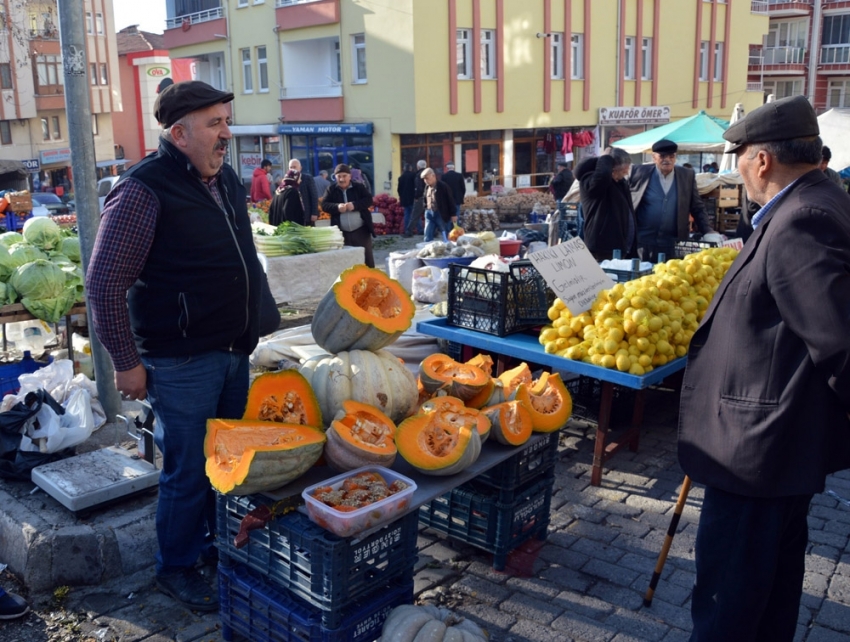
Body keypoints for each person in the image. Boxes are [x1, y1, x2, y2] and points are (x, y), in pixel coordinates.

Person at [85, 81, 275, 613]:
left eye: (225, 121)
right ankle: (175, 567)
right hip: (182, 359)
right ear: (179, 133)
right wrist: (126, 363)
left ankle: (215, 547)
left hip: (234, 350)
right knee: (189, 469)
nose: (226, 134)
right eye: (215, 124)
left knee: (229, 463)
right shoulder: (144, 188)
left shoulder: (227, 180)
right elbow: (102, 284)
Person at [679, 94, 850, 641]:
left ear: (762, 161)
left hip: (756, 452)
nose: (740, 170)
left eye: (741, 155)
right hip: (771, 448)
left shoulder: (803, 220)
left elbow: (839, 343)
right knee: (767, 594)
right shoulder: (817, 200)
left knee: (730, 604)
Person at [629, 139, 716, 263]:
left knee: (672, 277)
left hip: (673, 243)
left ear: (675, 158)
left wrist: (708, 230)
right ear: (654, 157)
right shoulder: (639, 173)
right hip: (643, 243)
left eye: (671, 156)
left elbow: (697, 207)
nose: (667, 160)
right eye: (662, 156)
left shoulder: (687, 175)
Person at [573, 147, 636, 260]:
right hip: (602, 248)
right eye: (623, 170)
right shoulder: (590, 180)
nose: (626, 173)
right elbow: (601, 178)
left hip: (620, 247)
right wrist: (606, 157)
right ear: (611, 169)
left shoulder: (619, 182)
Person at [321, 163, 375, 267]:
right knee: (347, 261)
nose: (342, 179)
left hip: (361, 231)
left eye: (344, 176)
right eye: (339, 176)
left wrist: (355, 205)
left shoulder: (358, 187)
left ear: (349, 176)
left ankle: (372, 281)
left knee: (366, 259)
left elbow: (369, 200)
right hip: (342, 233)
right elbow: (324, 205)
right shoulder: (331, 189)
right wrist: (337, 207)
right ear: (335, 177)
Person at [421, 167, 456, 242]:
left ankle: (448, 247)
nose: (425, 181)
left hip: (440, 213)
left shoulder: (443, 186)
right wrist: (425, 207)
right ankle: (428, 248)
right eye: (424, 179)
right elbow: (425, 198)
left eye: (427, 178)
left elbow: (450, 200)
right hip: (429, 213)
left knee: (445, 233)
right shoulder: (427, 187)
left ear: (433, 176)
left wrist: (453, 214)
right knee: (427, 234)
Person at [289, 158, 318, 226]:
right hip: (294, 215)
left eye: (295, 167)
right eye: (291, 167)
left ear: (300, 168)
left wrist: (314, 213)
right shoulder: (288, 181)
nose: (293, 169)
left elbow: (314, 195)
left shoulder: (307, 178)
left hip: (307, 215)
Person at [407, 159, 427, 235]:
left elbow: (418, 187)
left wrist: (416, 196)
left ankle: (409, 231)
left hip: (421, 197)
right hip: (430, 197)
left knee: (415, 215)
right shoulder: (430, 173)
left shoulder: (419, 175)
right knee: (431, 215)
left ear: (418, 166)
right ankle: (433, 231)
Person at [397, 163, 417, 237]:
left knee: (407, 215)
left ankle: (407, 230)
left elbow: (399, 189)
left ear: (404, 169)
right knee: (415, 214)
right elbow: (416, 186)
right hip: (413, 198)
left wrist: (401, 196)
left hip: (404, 199)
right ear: (410, 169)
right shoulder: (413, 175)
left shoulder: (401, 177)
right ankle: (420, 229)